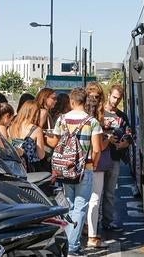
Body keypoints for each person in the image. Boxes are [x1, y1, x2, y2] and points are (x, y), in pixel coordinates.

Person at [46, 87, 103, 256]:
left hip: (65, 170)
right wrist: (94, 164)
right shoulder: (92, 122)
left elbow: (54, 142)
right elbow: (97, 149)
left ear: (71, 101)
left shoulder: (62, 119)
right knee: (80, 207)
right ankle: (73, 247)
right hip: (85, 169)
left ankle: (69, 244)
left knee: (70, 206)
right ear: (85, 101)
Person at [101, 84, 132, 233]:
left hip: (114, 157)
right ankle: (93, 222)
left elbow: (130, 134)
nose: (116, 101)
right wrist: (107, 138)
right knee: (97, 193)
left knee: (109, 192)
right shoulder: (99, 112)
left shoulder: (122, 116)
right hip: (99, 157)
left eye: (119, 99)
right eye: (114, 97)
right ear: (108, 95)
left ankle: (107, 221)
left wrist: (125, 143)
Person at [85, 82, 112, 248]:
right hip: (95, 162)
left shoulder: (71, 116)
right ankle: (92, 236)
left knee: (81, 200)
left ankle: (83, 232)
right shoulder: (94, 120)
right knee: (94, 199)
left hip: (79, 162)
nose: (95, 100)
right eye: (92, 96)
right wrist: (107, 139)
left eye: (97, 96)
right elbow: (100, 147)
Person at [8, 100, 46, 172]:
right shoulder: (36, 130)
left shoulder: (11, 127)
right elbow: (41, 155)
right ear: (36, 113)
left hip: (15, 166)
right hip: (31, 167)